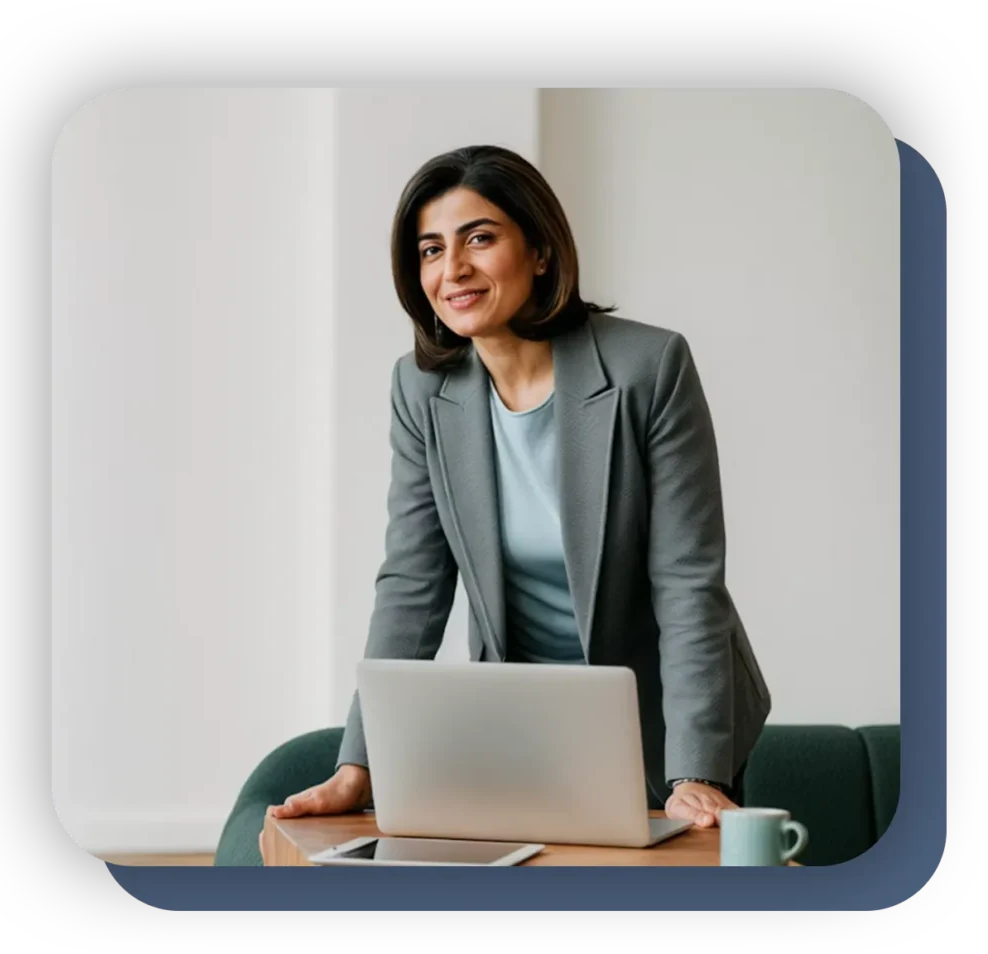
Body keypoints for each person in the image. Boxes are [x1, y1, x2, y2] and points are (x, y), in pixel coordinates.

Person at [263, 144, 771, 848]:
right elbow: (413, 581)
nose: (453, 269)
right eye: (430, 249)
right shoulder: (422, 389)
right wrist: (360, 762)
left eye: (480, 238)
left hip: (666, 721)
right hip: (524, 731)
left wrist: (697, 772)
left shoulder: (648, 368)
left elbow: (688, 583)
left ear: (538, 250)